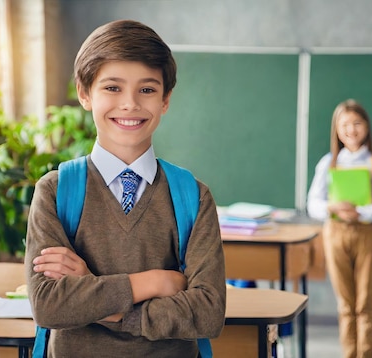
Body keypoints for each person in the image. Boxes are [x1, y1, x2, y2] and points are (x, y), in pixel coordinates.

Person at [24, 19, 226, 358]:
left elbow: (207, 312)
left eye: (146, 89)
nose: (130, 104)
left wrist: (111, 306)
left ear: (165, 100)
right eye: (112, 88)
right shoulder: (56, 191)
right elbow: (49, 306)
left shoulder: (193, 196)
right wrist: (154, 283)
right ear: (85, 94)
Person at [307, 99, 372, 358]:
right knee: (346, 304)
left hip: (367, 234)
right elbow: (312, 203)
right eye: (344, 124)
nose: (351, 130)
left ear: (367, 126)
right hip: (335, 233)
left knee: (365, 304)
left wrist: (361, 211)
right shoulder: (328, 163)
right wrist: (332, 206)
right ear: (336, 129)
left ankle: (365, 354)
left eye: (357, 123)